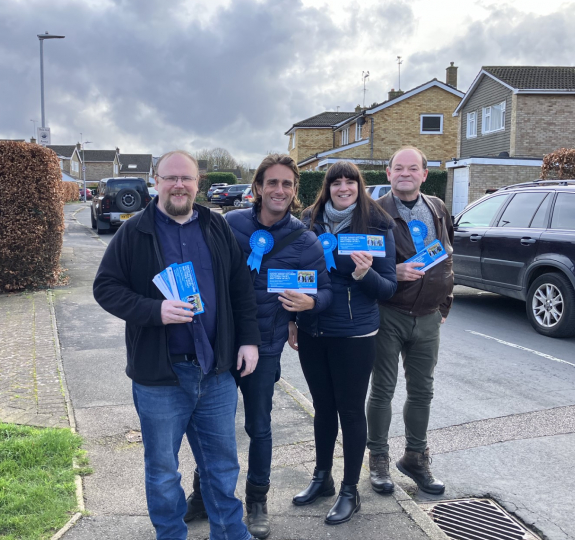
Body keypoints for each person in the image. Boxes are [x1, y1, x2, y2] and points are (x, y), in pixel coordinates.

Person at [93, 150, 262, 540]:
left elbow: (240, 288)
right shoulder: (134, 231)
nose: (178, 185)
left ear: (197, 182)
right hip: (161, 376)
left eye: (185, 178)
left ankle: (231, 535)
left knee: (222, 466)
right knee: (163, 471)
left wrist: (249, 341)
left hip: (215, 372)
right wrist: (156, 310)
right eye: (170, 178)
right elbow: (106, 289)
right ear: (156, 181)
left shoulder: (215, 227)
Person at [184, 153, 331, 539]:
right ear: (258, 188)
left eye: (287, 184)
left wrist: (310, 304)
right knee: (212, 427)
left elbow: (327, 289)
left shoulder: (305, 239)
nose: (278, 190)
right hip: (219, 343)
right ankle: (202, 494)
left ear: (295, 191)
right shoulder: (229, 224)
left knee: (259, 427)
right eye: (272, 183)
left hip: (265, 347)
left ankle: (258, 500)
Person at [292, 160, 397, 525]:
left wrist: (364, 272)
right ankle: (322, 478)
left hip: (354, 332)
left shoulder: (378, 223)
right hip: (313, 329)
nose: (342, 188)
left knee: (350, 411)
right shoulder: (307, 220)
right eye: (335, 182)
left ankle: (350, 491)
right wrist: (294, 319)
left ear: (358, 185)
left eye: (349, 182)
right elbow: (296, 273)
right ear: (327, 187)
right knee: (322, 408)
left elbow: (388, 288)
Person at [366, 146, 454, 496]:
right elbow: (355, 260)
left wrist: (445, 304)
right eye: (398, 168)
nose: (405, 173)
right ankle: (379, 460)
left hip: (429, 316)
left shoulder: (437, 207)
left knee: (423, 392)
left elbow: (447, 251)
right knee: (382, 391)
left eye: (412, 168)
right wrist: (392, 270)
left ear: (424, 174)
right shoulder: (373, 212)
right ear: (388, 174)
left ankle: (415, 458)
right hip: (390, 313)